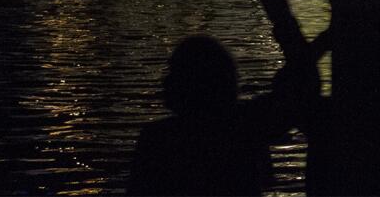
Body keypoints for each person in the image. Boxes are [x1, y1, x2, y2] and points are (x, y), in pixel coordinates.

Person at [127, 34, 312, 196]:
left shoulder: (157, 138)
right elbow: (303, 88)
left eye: (173, 72)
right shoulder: (246, 125)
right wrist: (286, 24)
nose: (164, 80)